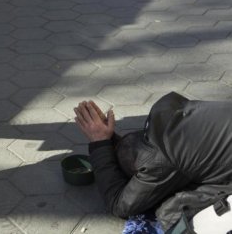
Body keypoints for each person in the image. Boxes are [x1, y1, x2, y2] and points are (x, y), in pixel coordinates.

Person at [74, 92, 232, 231]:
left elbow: (119, 205)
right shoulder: (165, 112)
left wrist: (99, 143)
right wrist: (108, 138)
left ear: (139, 173)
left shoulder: (158, 164)